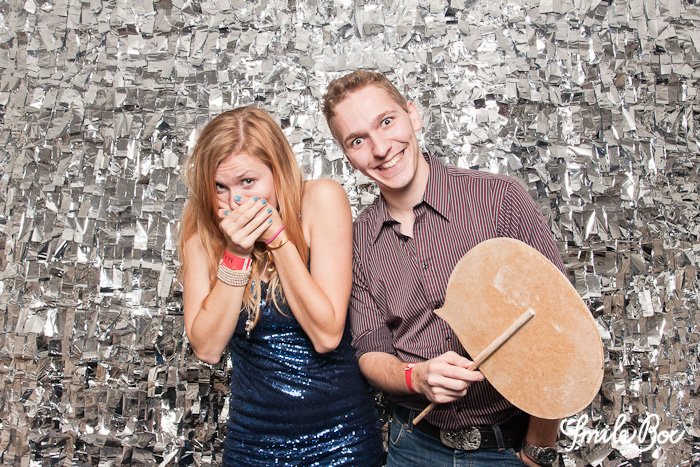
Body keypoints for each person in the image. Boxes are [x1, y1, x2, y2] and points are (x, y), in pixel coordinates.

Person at [322, 70, 564, 467]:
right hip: (413, 446)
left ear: (413, 115)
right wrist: (415, 377)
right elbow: (370, 350)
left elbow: (559, 325)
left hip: (506, 447)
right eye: (358, 140)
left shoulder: (499, 200)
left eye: (387, 121)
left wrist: (539, 446)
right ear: (347, 155)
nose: (380, 148)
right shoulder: (359, 239)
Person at [178, 106, 383, 466]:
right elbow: (207, 348)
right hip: (253, 442)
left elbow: (326, 335)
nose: (234, 201)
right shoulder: (202, 227)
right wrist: (236, 254)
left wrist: (278, 240)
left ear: (278, 171)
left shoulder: (320, 199)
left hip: (342, 438)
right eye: (220, 187)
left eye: (248, 182)